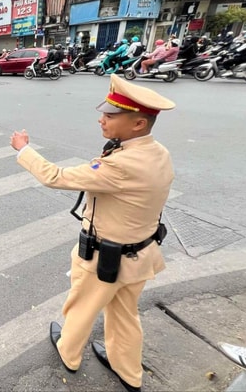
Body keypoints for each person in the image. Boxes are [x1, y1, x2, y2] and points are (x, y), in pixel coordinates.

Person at [10, 74, 176, 392]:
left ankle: (68, 353)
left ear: (138, 124)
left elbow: (56, 176)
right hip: (140, 256)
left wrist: (24, 150)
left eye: (111, 116)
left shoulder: (121, 164)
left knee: (81, 307)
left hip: (106, 259)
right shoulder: (159, 153)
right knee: (125, 315)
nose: (102, 119)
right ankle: (128, 371)